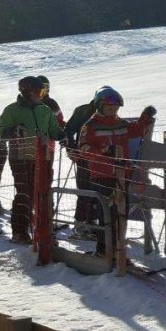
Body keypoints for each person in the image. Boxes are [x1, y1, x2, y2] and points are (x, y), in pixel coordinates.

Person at [77, 87, 156, 258]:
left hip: (122, 175)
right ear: (99, 106)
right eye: (109, 107)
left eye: (115, 108)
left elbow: (136, 130)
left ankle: (117, 250)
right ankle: (104, 250)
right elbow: (83, 148)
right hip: (102, 175)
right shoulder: (91, 125)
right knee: (107, 214)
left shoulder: (119, 123)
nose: (113, 110)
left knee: (121, 213)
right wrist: (105, 150)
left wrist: (145, 118)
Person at [0, 76, 64, 244]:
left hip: (44, 156)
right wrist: (13, 132)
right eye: (40, 92)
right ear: (27, 92)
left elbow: (54, 130)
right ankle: (20, 231)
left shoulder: (45, 110)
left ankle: (43, 230)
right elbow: (0, 132)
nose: (43, 95)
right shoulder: (12, 110)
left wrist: (63, 135)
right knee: (25, 192)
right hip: (20, 156)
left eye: (44, 91)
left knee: (43, 193)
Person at [65, 91, 101, 237]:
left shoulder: (110, 115)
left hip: (101, 160)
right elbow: (69, 129)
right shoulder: (83, 111)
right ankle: (80, 223)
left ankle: (93, 222)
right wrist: (72, 148)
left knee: (98, 190)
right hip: (84, 157)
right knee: (85, 189)